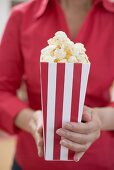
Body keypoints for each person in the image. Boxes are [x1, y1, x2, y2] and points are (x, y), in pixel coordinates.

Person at [0, 0, 114, 169]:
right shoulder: (22, 16)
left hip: (97, 161)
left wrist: (100, 120)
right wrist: (31, 120)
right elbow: (2, 90)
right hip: (33, 160)